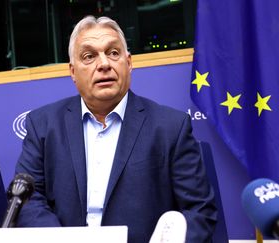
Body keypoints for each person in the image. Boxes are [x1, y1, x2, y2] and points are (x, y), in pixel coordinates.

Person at [15, 15, 217, 242]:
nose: (103, 64)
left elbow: (199, 211)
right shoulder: (43, 125)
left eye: (113, 53)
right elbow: (28, 202)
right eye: (89, 56)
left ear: (128, 63)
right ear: (73, 72)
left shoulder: (170, 127)